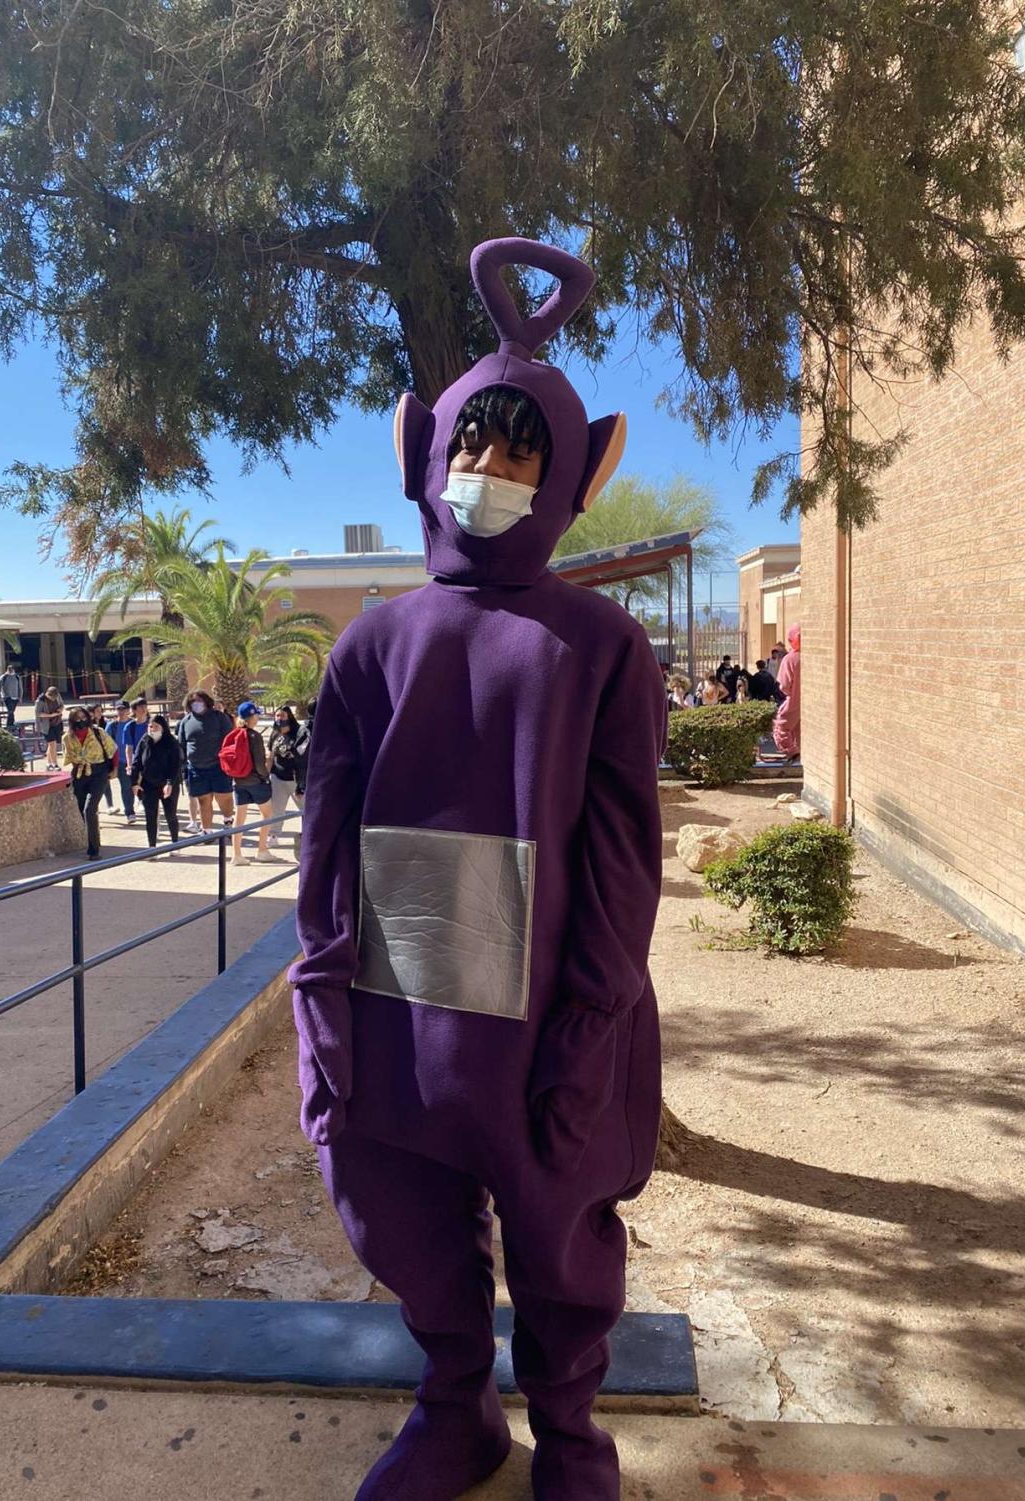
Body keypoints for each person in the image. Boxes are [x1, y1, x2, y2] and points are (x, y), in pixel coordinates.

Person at [293, 238, 664, 1501]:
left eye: (519, 452)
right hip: (401, 1008)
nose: (488, 472)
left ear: (574, 471)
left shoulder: (605, 647)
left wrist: (595, 1008)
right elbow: (327, 838)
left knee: (562, 1232)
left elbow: (622, 849)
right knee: (403, 1212)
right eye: (471, 445)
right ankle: (454, 1411)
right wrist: (323, 989)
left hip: (552, 1011)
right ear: (422, 452)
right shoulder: (372, 645)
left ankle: (571, 1434)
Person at [224, 701, 277, 865]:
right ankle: (262, 850)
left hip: (239, 781)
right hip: (256, 781)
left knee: (239, 819)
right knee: (267, 815)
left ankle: (236, 854)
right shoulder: (254, 736)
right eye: (257, 714)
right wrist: (265, 776)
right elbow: (259, 763)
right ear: (252, 716)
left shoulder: (235, 734)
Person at [63, 707, 118, 860]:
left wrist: (114, 769)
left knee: (90, 808)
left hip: (99, 772)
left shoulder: (98, 732)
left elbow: (113, 749)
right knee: (82, 809)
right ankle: (94, 838)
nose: (81, 721)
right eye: (77, 718)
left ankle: (93, 850)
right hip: (80, 774)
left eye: (83, 717)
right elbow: (70, 758)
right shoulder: (67, 738)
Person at [177, 690, 234, 833]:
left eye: (199, 701)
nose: (196, 704)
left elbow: (230, 741)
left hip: (218, 767)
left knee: (224, 798)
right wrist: (183, 767)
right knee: (203, 800)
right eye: (192, 702)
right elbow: (182, 745)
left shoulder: (219, 718)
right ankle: (207, 832)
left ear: (207, 702)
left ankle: (228, 822)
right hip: (196, 769)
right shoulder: (185, 722)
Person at [131, 713, 183, 849]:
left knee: (170, 814)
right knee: (150, 816)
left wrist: (170, 783)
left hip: (168, 783)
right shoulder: (144, 740)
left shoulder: (171, 742)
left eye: (155, 726)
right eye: (150, 726)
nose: (152, 729)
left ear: (163, 728)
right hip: (148, 784)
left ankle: (175, 844)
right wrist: (134, 783)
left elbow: (175, 765)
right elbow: (136, 762)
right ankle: (152, 846)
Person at [267, 704, 307, 850]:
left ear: (289, 716)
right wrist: (266, 775)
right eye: (277, 716)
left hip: (295, 779)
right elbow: (271, 756)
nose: (279, 719)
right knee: (277, 809)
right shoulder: (275, 733)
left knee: (305, 809)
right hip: (278, 777)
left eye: (283, 716)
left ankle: (307, 835)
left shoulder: (298, 733)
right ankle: (273, 835)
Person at [773, 623, 802, 762]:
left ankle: (791, 751)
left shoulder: (790, 659)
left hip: (795, 699)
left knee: (781, 725)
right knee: (799, 728)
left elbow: (784, 686)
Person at [108, 701, 138, 823]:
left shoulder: (134, 724)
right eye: (118, 709)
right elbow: (107, 744)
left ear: (128, 710)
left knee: (132, 786)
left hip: (133, 761)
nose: (121, 712)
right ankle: (130, 812)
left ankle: (134, 808)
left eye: (123, 709)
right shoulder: (112, 726)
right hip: (119, 761)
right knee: (126, 787)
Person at [122, 696, 151, 800]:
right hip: (138, 759)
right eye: (140, 707)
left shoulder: (152, 724)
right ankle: (141, 799)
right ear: (134, 710)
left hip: (153, 758)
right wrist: (129, 764)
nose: (144, 709)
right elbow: (128, 747)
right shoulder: (130, 727)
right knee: (138, 781)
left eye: (145, 706)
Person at [34, 685, 65, 769]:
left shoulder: (58, 697)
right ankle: (55, 764)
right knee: (52, 743)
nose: (53, 699)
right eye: (51, 697)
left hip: (57, 723)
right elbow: (38, 714)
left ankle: (48, 763)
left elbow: (62, 705)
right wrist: (50, 715)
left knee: (52, 745)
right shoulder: (40, 701)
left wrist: (59, 710)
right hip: (46, 725)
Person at [0, 662, 22, 728]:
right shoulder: (3, 677)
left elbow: (20, 687)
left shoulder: (17, 677)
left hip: (15, 697)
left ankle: (11, 724)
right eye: (9, 669)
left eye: (12, 669)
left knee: (12, 711)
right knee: (10, 711)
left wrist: (20, 697)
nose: (11, 670)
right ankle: (9, 725)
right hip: (7, 697)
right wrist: (0, 696)